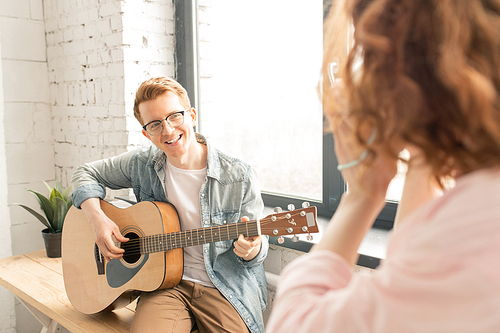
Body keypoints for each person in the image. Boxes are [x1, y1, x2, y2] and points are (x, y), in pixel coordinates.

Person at [266, 0, 500, 332]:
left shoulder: (469, 232)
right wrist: (422, 143)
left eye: (370, 58)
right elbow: (407, 266)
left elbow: (294, 324)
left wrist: (361, 196)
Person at [71, 77, 268, 333]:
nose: (167, 130)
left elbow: (255, 256)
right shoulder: (141, 163)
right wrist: (97, 219)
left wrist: (251, 249)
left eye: (175, 116)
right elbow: (84, 173)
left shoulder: (239, 175)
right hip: (164, 285)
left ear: (192, 115)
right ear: (146, 133)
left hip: (223, 286)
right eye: (154, 124)